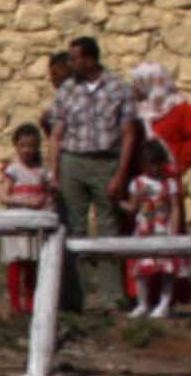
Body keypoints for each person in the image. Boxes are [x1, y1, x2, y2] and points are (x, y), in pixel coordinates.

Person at [47, 35, 139, 315]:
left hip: (105, 162)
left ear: (90, 59)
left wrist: (120, 174)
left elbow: (128, 135)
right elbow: (57, 135)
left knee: (109, 227)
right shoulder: (67, 91)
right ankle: (75, 299)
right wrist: (54, 172)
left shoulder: (118, 88)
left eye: (74, 58)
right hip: (73, 162)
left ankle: (113, 298)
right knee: (72, 228)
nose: (70, 64)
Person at [128, 62, 191, 307]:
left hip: (166, 186)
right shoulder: (137, 110)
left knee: (168, 237)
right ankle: (141, 296)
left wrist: (179, 163)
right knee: (142, 237)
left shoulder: (179, 108)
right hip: (143, 185)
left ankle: (168, 297)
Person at [119, 138, 186, 320]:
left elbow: (175, 207)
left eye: (158, 164)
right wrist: (118, 202)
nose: (155, 169)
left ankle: (164, 304)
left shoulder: (169, 184)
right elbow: (132, 208)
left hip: (163, 229)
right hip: (144, 230)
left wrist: (173, 230)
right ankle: (143, 304)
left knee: (167, 269)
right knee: (141, 270)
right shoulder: (137, 183)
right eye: (151, 165)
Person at [0, 122, 55, 317]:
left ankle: (31, 304)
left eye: (31, 146)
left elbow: (48, 194)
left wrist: (45, 201)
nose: (27, 150)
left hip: (34, 224)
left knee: (32, 263)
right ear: (16, 146)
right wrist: (23, 201)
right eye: (23, 146)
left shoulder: (41, 171)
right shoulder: (13, 170)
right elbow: (3, 195)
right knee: (16, 262)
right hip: (17, 222)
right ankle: (15, 304)